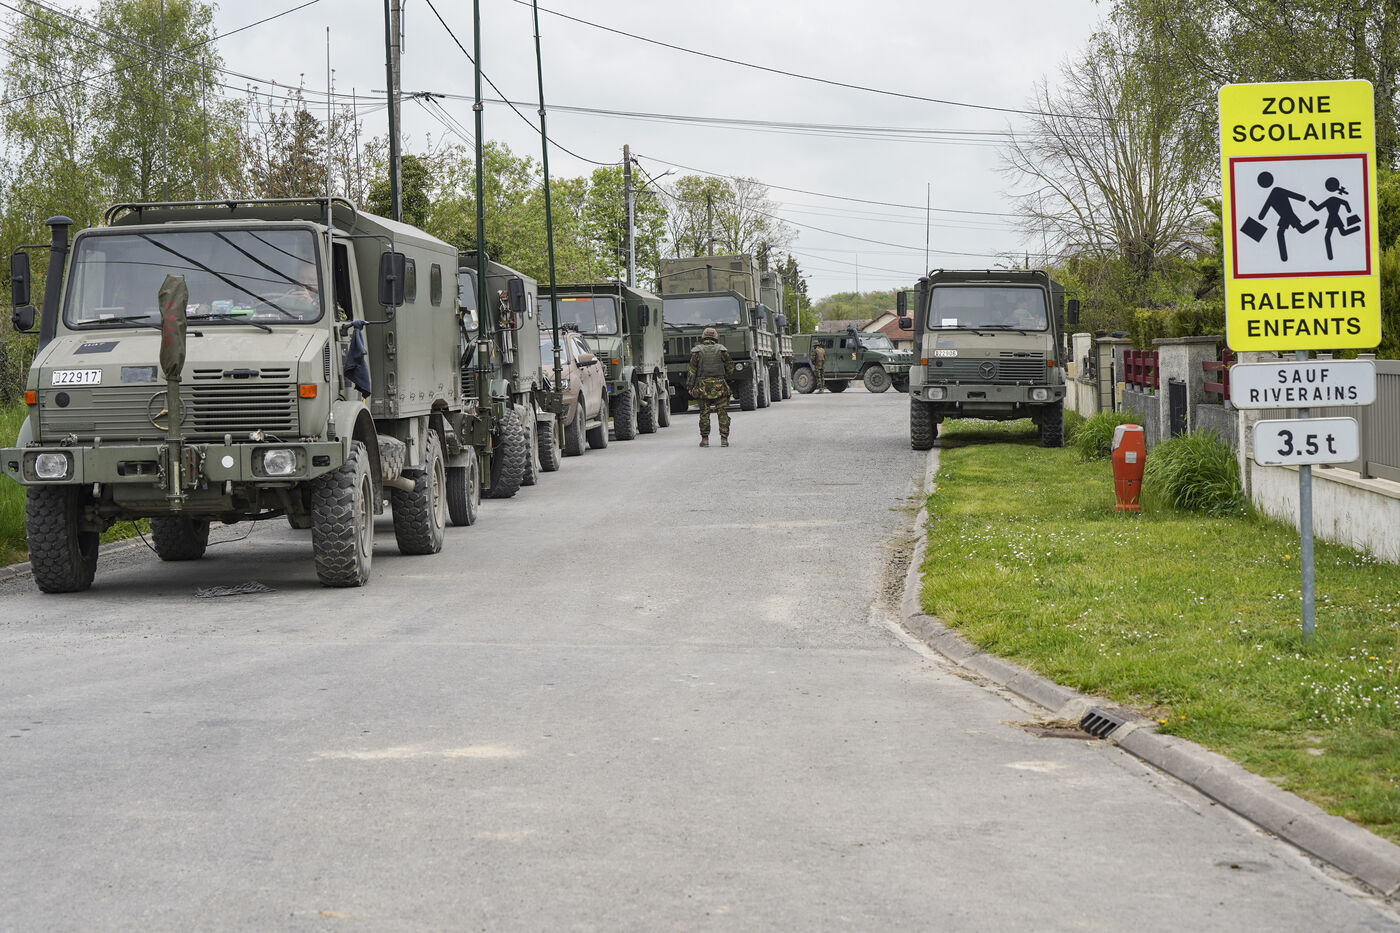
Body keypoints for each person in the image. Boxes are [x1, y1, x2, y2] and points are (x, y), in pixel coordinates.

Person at [687, 326, 734, 447]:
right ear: (716, 337)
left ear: (703, 337)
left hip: (702, 387)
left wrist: (690, 387)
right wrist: (724, 376)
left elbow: (692, 371)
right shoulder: (722, 350)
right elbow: (730, 368)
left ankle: (705, 439)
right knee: (722, 412)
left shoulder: (697, 351)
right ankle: (724, 439)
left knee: (704, 413)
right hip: (720, 386)